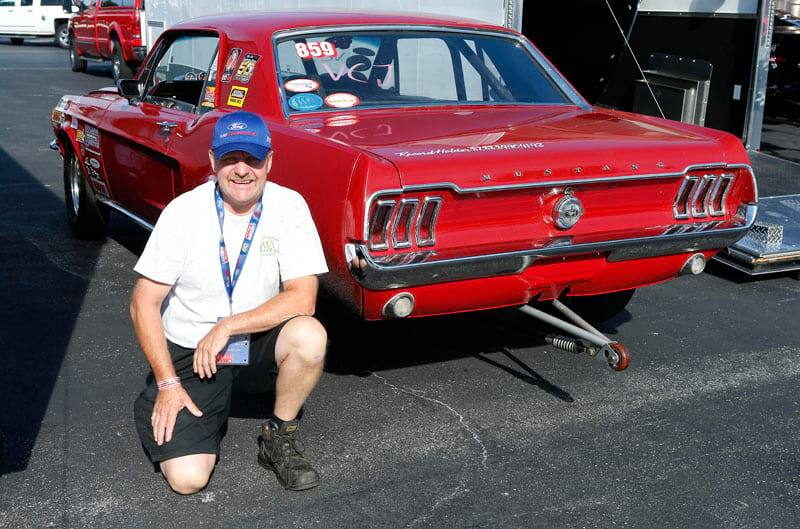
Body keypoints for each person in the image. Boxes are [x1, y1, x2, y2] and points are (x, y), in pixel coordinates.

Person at [130, 111, 328, 495]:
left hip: (252, 341)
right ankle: (164, 395)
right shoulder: (183, 213)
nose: (242, 170)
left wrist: (228, 326)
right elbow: (143, 303)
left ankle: (278, 436)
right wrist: (169, 381)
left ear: (269, 161)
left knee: (309, 335)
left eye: (252, 159)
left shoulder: (290, 207)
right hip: (193, 351)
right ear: (212, 161)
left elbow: (304, 298)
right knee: (188, 481)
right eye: (230, 159)